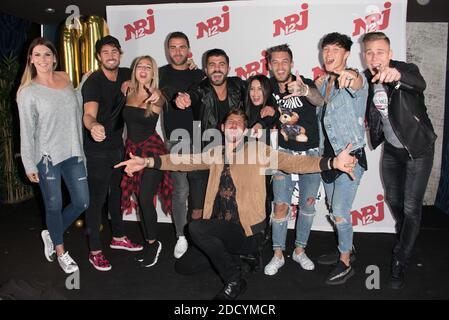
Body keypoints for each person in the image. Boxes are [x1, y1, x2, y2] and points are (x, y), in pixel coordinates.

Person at [114, 109, 358, 300]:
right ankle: (237, 257)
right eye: (230, 122)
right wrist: (147, 162)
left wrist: (332, 163)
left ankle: (235, 279)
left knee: (196, 228)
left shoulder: (257, 151)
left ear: (244, 131)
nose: (233, 126)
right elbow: (183, 160)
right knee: (183, 267)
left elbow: (292, 163)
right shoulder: (215, 152)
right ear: (222, 128)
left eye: (239, 124)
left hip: (246, 230)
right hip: (221, 228)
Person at [362, 32, 436, 289]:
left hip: (418, 148)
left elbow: (419, 83)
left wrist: (398, 76)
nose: (375, 57)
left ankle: (400, 258)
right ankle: (408, 237)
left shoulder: (405, 70)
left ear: (390, 54)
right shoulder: (368, 80)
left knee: (411, 207)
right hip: (393, 151)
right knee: (394, 200)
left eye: (380, 52)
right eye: (369, 52)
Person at [17, 37, 89, 274]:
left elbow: (75, 107)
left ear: (55, 58)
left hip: (72, 151)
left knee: (81, 202)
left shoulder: (65, 77)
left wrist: (83, 85)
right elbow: (26, 130)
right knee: (54, 204)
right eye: (37, 55)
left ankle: (51, 232)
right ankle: (60, 251)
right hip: (47, 156)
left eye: (47, 54)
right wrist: (29, 163)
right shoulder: (27, 92)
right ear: (31, 60)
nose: (43, 59)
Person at [263, 44, 325, 276]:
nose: (280, 66)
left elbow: (320, 101)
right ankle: (278, 254)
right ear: (269, 65)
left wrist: (305, 91)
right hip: (284, 156)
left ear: (291, 63)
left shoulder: (303, 83)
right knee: (280, 206)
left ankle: (300, 250)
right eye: (275, 62)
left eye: (284, 61)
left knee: (307, 205)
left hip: (310, 155)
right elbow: (249, 92)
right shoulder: (269, 90)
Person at [82, 35, 142, 272]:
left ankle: (118, 236)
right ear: (99, 57)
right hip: (97, 149)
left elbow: (152, 74)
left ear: (120, 54)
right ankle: (95, 251)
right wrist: (93, 125)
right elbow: (88, 114)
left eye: (114, 51)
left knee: (117, 195)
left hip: (119, 146)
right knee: (96, 200)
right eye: (105, 52)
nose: (110, 56)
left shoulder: (128, 73)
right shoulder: (93, 82)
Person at [314, 32, 368, 285]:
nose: (329, 54)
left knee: (339, 211)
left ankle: (345, 263)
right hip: (328, 158)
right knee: (333, 207)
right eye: (326, 49)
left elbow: (358, 84)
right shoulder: (323, 83)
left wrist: (353, 77)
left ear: (346, 54)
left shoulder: (354, 78)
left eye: (335, 50)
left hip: (350, 158)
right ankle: (348, 248)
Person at [174, 48, 247, 222]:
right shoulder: (200, 89)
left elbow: (261, 93)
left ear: (228, 68)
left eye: (221, 64)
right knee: (198, 208)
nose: (217, 69)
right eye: (212, 65)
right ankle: (195, 244)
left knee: (231, 206)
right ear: (205, 70)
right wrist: (185, 99)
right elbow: (194, 95)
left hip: (234, 156)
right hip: (205, 155)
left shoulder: (239, 85)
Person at [120, 55, 171, 267]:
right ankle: (150, 242)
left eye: (148, 67)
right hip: (132, 150)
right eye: (139, 66)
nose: (143, 70)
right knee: (141, 198)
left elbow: (160, 98)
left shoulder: (156, 96)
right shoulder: (127, 91)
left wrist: (156, 93)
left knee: (145, 197)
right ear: (134, 70)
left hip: (152, 151)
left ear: (153, 73)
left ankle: (153, 243)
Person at [159, 31, 205, 259]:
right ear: (168, 50)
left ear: (189, 49)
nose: (177, 51)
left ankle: (199, 234)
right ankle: (181, 235)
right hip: (176, 139)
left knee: (200, 191)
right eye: (173, 47)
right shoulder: (160, 73)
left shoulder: (200, 73)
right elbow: (146, 81)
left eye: (182, 47)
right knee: (181, 190)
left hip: (201, 138)